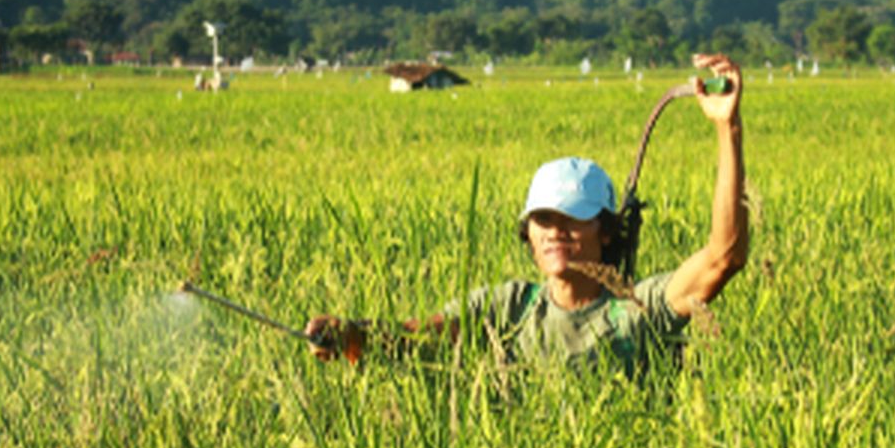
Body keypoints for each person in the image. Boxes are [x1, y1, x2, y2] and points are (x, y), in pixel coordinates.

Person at [307, 53, 747, 375]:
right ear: (528, 232)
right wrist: (351, 334)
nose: (555, 232)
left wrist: (728, 130)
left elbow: (722, 257)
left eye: (572, 219)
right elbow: (418, 336)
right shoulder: (508, 308)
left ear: (606, 232)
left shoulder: (637, 311)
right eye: (543, 220)